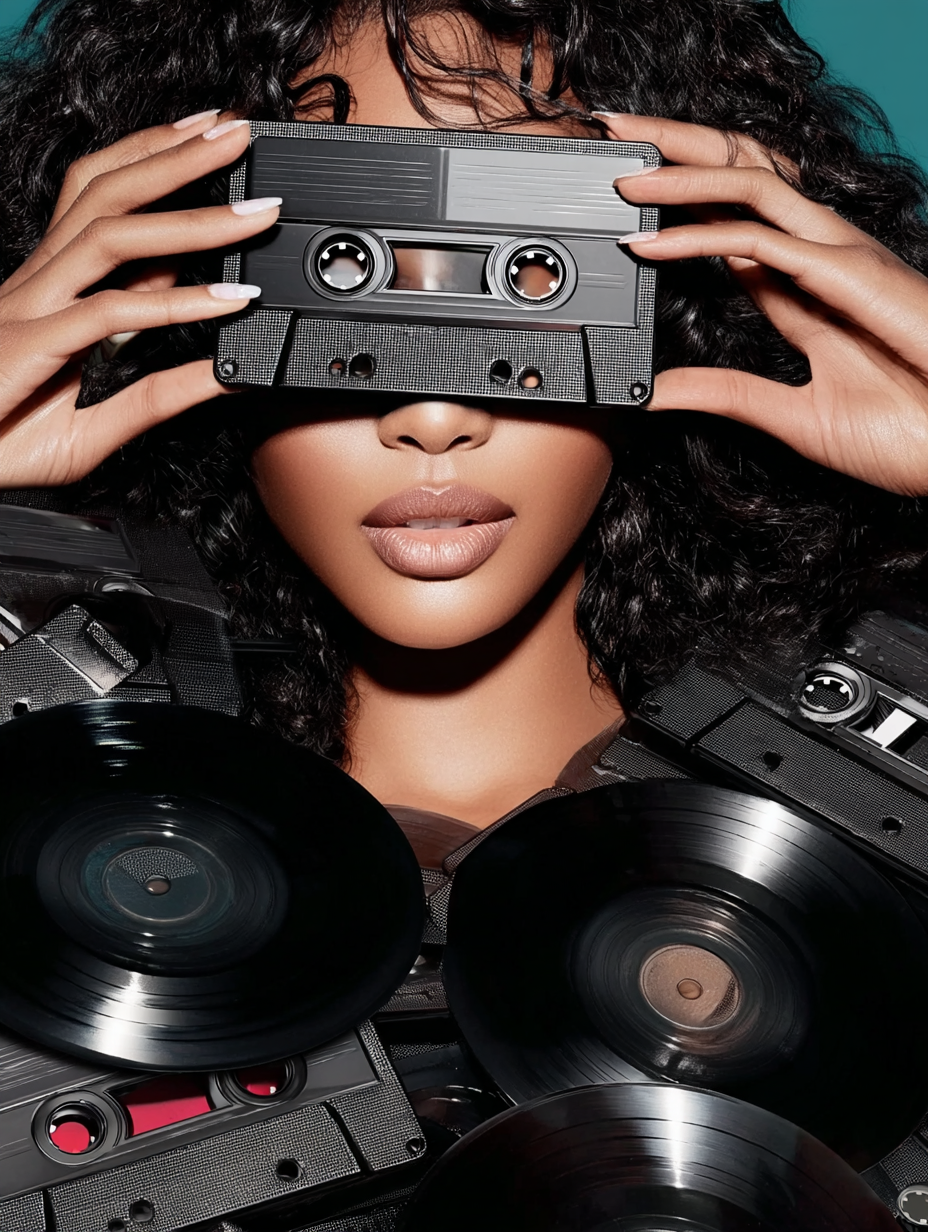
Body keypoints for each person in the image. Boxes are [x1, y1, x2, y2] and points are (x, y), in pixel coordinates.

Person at [0, 0, 927, 832]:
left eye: (532, 276)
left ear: (672, 313)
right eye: (342, 278)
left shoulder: (886, 794)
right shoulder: (34, 773)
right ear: (190, 306)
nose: (436, 417)